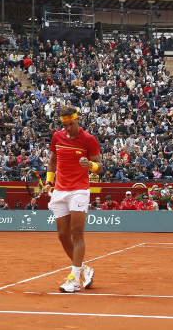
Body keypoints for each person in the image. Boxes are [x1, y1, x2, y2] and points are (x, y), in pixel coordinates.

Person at [44, 106, 102, 293]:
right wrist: (49, 181)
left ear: (78, 120)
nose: (69, 128)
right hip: (60, 190)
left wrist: (90, 165)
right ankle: (84, 269)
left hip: (79, 190)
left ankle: (75, 280)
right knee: (62, 236)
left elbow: (100, 167)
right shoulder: (57, 137)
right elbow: (53, 160)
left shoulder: (89, 140)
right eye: (66, 125)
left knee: (77, 233)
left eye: (72, 124)